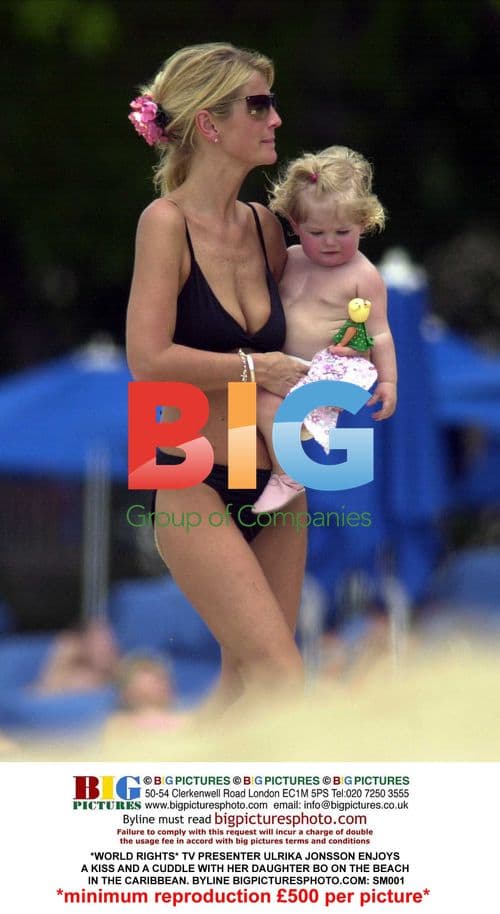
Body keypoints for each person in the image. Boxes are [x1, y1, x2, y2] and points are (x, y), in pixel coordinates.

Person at [126, 43, 309, 716]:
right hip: (187, 474)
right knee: (283, 679)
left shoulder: (265, 228)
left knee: (247, 694)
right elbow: (147, 359)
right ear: (208, 124)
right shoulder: (165, 223)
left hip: (278, 480)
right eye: (258, 105)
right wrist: (255, 368)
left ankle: (205, 807)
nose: (276, 120)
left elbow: (324, 311)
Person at [250, 145, 398, 514]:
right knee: (243, 398)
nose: (330, 242)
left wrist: (389, 382)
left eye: (343, 231)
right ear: (295, 226)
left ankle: (288, 474)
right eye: (316, 232)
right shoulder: (292, 259)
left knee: (263, 405)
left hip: (332, 371)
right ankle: (260, 467)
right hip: (289, 366)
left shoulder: (363, 275)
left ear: (364, 223)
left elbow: (379, 333)